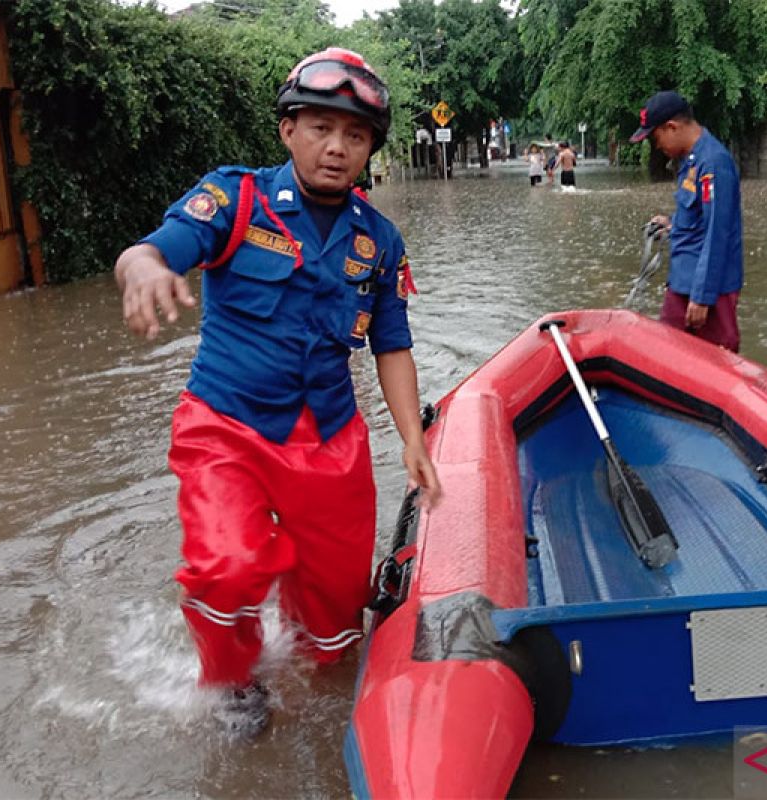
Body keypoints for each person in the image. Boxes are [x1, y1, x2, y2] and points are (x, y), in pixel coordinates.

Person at [112, 48, 442, 738]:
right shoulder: (234, 199)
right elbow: (156, 248)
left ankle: (324, 702)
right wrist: (143, 266)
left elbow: (392, 343)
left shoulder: (378, 242)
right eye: (321, 127)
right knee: (227, 567)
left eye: (355, 136)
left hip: (330, 440)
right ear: (288, 129)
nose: (337, 147)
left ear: (370, 150)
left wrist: (412, 437)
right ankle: (232, 683)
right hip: (226, 429)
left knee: (335, 612)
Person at [629, 90, 743, 351]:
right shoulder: (691, 161)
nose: (656, 147)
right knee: (668, 357)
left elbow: (717, 233)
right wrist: (672, 224)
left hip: (705, 292)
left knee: (714, 366)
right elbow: (698, 217)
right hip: (682, 283)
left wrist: (703, 296)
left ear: (672, 127)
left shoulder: (713, 163)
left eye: (655, 139)